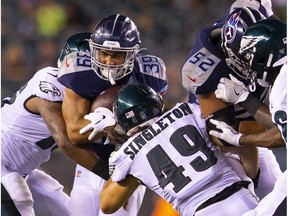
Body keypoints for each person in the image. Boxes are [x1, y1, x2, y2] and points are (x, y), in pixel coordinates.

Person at [57, 14, 168, 215]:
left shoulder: (150, 73)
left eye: (117, 55)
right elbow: (73, 133)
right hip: (91, 161)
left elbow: (158, 122)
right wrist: (105, 125)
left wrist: (117, 122)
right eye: (103, 54)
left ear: (132, 54)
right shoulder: (80, 71)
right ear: (93, 50)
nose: (109, 61)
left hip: (131, 165)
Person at [99, 83, 259, 216]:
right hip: (240, 197)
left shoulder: (129, 154)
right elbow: (244, 146)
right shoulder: (189, 110)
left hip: (200, 211)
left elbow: (107, 205)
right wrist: (253, 177)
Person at [180, 0, 283, 200]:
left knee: (277, 193)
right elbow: (223, 134)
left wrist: (246, 99)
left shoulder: (257, 12)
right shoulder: (204, 68)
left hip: (251, 130)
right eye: (247, 58)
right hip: (223, 146)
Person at [1, 32, 102, 216]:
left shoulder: (87, 97)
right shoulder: (49, 81)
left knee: (67, 209)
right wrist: (110, 176)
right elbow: (66, 143)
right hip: (3, 164)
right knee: (18, 195)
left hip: (23, 170)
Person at [208, 18, 287, 216]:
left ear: (264, 57)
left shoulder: (283, 81)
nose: (248, 64)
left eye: (249, 56)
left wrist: (239, 139)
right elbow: (281, 124)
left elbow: (281, 135)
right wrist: (245, 99)